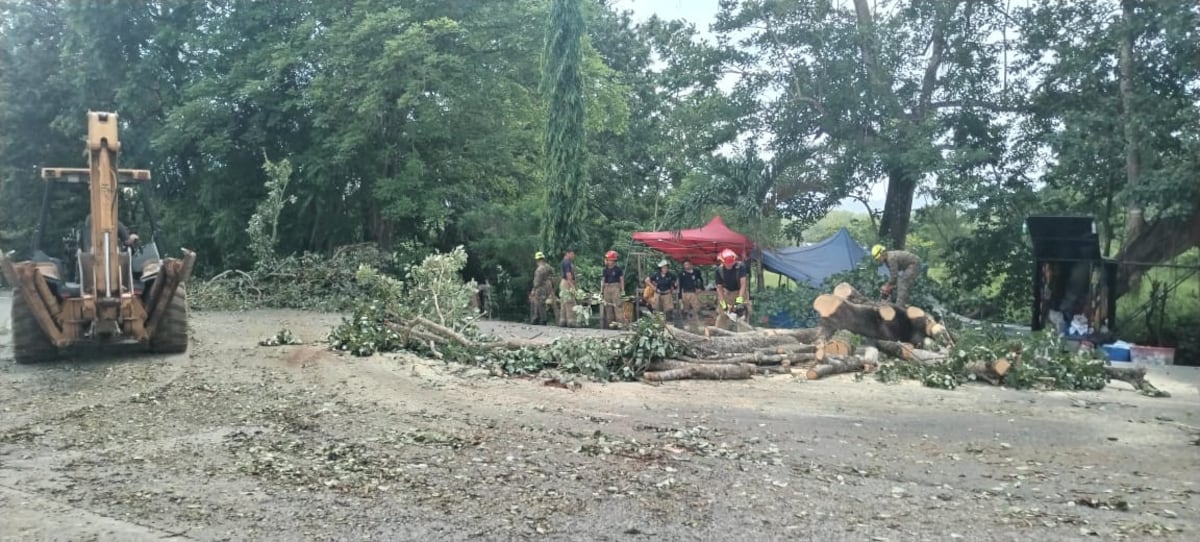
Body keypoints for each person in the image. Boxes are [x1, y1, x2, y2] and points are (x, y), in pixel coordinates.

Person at [714, 249, 750, 329]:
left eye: (731, 263)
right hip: (727, 292)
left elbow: (743, 284)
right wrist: (724, 305)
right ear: (722, 262)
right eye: (727, 264)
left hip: (740, 291)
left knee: (742, 314)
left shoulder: (740, 267)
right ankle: (718, 333)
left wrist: (739, 300)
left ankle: (744, 335)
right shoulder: (719, 271)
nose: (730, 265)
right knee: (722, 314)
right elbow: (719, 289)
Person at [600, 250, 626, 327]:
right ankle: (610, 324)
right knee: (608, 306)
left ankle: (620, 324)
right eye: (607, 260)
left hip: (615, 288)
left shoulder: (618, 269)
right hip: (607, 288)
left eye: (609, 260)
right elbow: (603, 280)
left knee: (617, 305)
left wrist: (622, 289)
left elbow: (621, 279)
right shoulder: (605, 270)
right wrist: (602, 290)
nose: (608, 261)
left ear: (613, 260)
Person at [529, 251, 554, 325]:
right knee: (542, 303)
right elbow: (552, 275)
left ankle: (538, 319)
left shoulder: (539, 269)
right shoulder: (548, 267)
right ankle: (542, 319)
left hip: (540, 288)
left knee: (538, 303)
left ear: (537, 260)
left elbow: (537, 281)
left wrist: (533, 289)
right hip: (547, 287)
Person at [677, 259, 705, 324]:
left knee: (697, 308)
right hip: (685, 292)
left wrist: (701, 288)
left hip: (694, 292)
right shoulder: (681, 274)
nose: (686, 266)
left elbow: (701, 280)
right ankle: (685, 323)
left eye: (687, 264)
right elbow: (679, 285)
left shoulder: (696, 272)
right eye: (685, 265)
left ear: (691, 264)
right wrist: (680, 297)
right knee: (685, 308)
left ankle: (701, 323)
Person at [558, 248, 577, 327]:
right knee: (570, 302)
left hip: (563, 282)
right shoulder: (567, 262)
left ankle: (563, 321)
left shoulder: (564, 261)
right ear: (568, 253)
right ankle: (571, 321)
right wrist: (572, 286)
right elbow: (568, 274)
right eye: (572, 254)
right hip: (567, 283)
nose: (573, 256)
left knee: (563, 302)